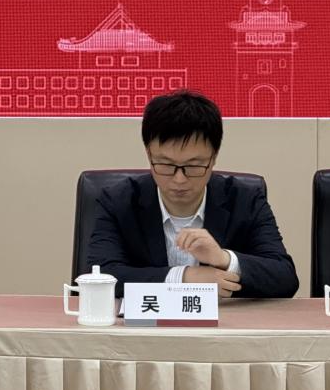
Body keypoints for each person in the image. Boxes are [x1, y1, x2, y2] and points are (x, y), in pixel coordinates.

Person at [86, 90, 298, 298]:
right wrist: (183, 277)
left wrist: (224, 259)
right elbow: (99, 276)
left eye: (194, 166)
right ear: (149, 155)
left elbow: (285, 277)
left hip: (224, 321)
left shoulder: (245, 200)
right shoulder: (118, 202)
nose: (179, 179)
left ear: (213, 158)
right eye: (166, 164)